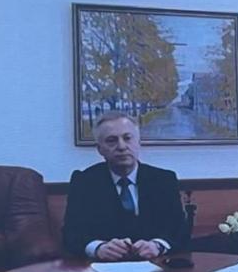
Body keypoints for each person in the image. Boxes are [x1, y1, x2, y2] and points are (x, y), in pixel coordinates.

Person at [62, 111, 188, 261]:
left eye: (127, 138)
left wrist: (157, 245)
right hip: (104, 268)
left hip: (157, 265)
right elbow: (71, 234)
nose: (121, 146)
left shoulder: (164, 180)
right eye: (111, 140)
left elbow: (179, 230)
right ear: (100, 149)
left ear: (138, 142)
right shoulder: (84, 182)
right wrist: (98, 248)